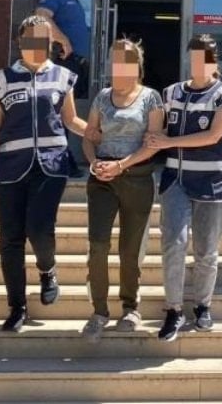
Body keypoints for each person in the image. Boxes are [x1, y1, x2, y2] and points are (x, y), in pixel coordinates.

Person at [0, 15, 88, 332]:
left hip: (51, 166)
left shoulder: (62, 77)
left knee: (40, 229)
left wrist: (101, 134)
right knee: (10, 238)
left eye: (43, 40)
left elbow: (71, 120)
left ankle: (47, 269)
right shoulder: (1, 80)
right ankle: (17, 307)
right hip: (9, 168)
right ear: (20, 42)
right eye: (31, 39)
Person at [145, 34, 222, 341]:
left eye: (207, 58)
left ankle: (203, 306)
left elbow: (212, 136)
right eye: (195, 57)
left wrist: (168, 142)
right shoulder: (171, 92)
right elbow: (156, 130)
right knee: (173, 243)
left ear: (215, 61)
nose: (200, 64)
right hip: (176, 180)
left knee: (206, 251)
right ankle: (173, 309)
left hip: (211, 182)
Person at [79, 39, 164, 343]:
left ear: (137, 66)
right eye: (115, 61)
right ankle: (99, 312)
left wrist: (122, 165)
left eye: (126, 61)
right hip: (102, 180)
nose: (119, 67)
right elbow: (89, 137)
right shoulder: (102, 98)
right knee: (98, 245)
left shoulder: (151, 98)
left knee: (130, 249)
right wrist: (94, 162)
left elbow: (153, 143)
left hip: (137, 178)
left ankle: (130, 307)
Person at [36, 0, 92, 98]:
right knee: (62, 105)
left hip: (77, 64)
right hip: (64, 61)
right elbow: (41, 16)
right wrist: (63, 40)